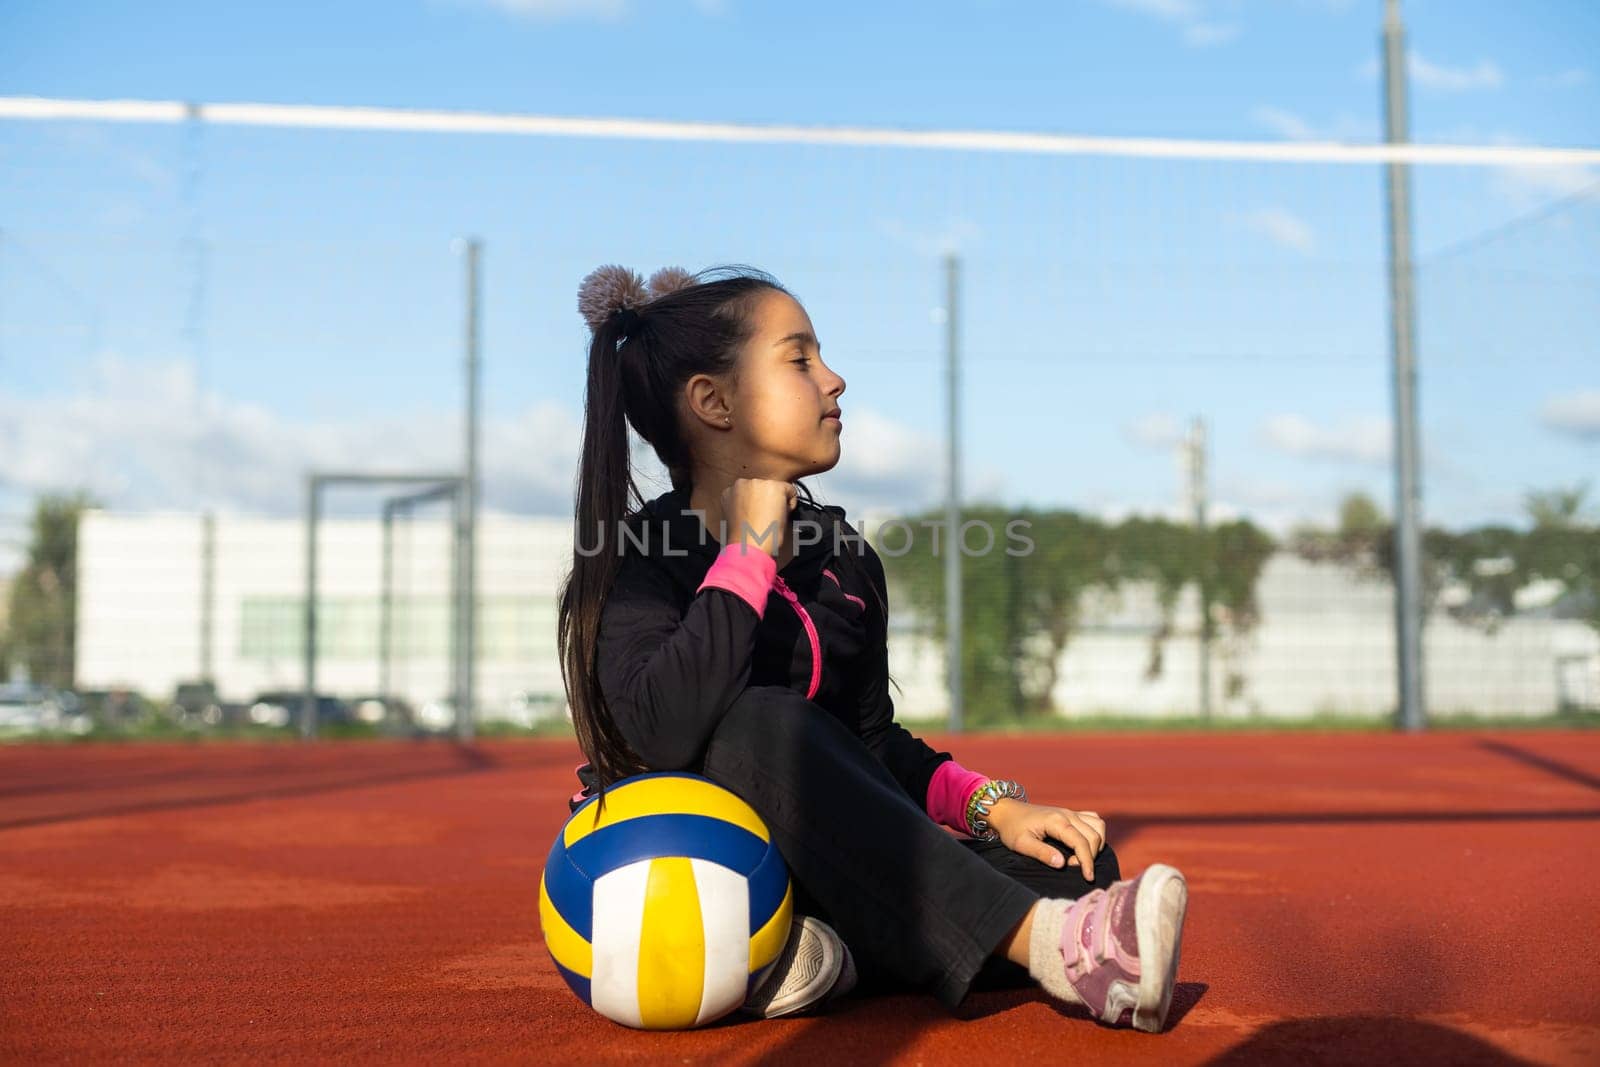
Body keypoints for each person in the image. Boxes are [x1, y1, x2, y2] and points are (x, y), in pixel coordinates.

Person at [555, 263, 1189, 1032]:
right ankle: (1059, 948)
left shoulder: (841, 555)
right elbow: (662, 732)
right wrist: (750, 550)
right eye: (800, 359)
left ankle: (824, 957)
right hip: (671, 883)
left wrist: (997, 807)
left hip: (838, 865)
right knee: (761, 722)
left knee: (1077, 863)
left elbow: (870, 744)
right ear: (713, 401)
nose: (836, 379)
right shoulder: (643, 556)